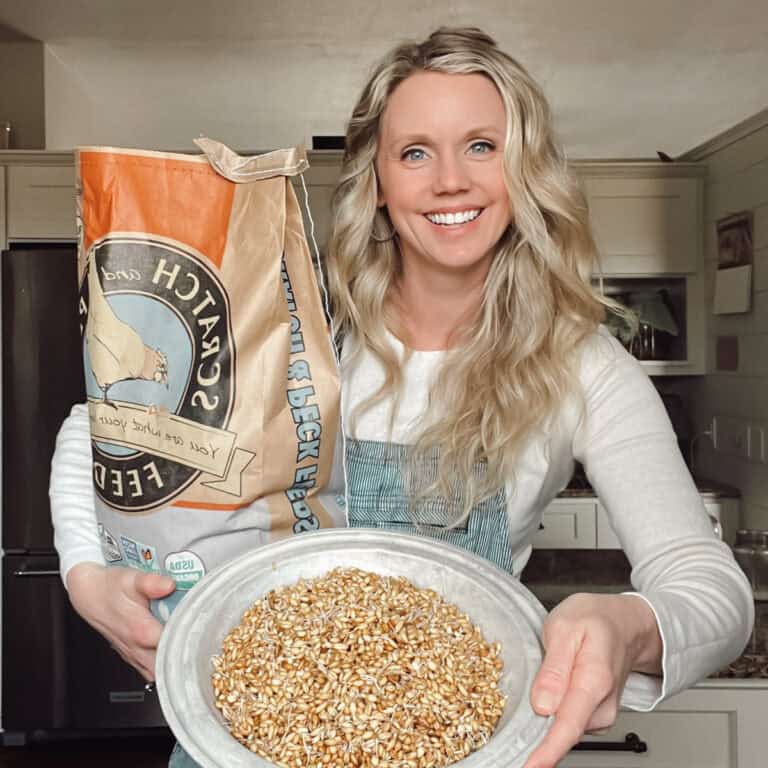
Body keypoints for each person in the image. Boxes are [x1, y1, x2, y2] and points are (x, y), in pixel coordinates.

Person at [51, 26, 752, 768]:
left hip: (456, 731)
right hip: (259, 725)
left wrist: (627, 624)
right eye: (416, 152)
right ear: (377, 182)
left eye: (482, 146)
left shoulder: (581, 364)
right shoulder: (301, 330)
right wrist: (86, 578)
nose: (450, 180)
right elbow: (99, 423)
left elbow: (714, 592)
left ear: (524, 170)